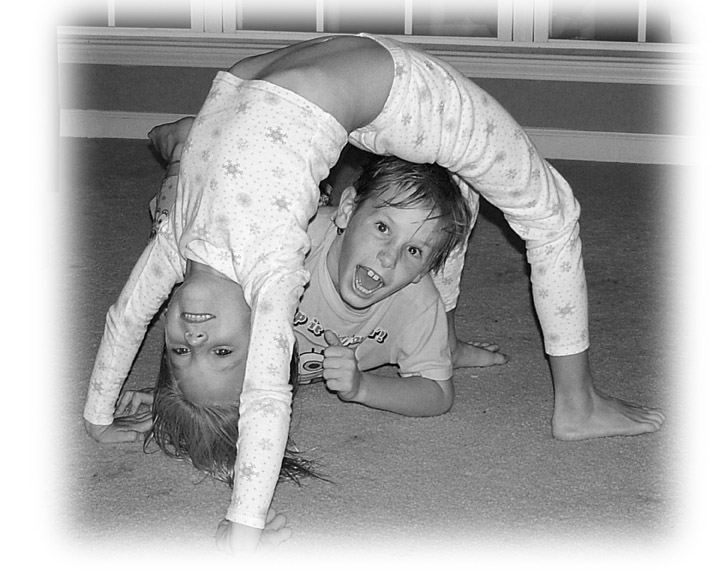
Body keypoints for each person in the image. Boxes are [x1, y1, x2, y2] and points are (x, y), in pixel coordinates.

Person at [84, 33, 664, 556]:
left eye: (180, 351)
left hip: (280, 90)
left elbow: (124, 318)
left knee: (507, 203)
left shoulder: (175, 244)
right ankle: (570, 402)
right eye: (220, 352)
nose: (196, 335)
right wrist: (243, 529)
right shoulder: (273, 272)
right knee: (523, 208)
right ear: (264, 332)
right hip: (341, 92)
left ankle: (184, 142)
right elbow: (266, 401)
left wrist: (98, 418)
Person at [295, 155, 507, 416]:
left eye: (414, 250)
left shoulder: (418, 303)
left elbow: (438, 394)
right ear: (347, 211)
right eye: (383, 227)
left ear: (424, 269)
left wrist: (361, 387)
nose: (389, 258)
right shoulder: (297, 242)